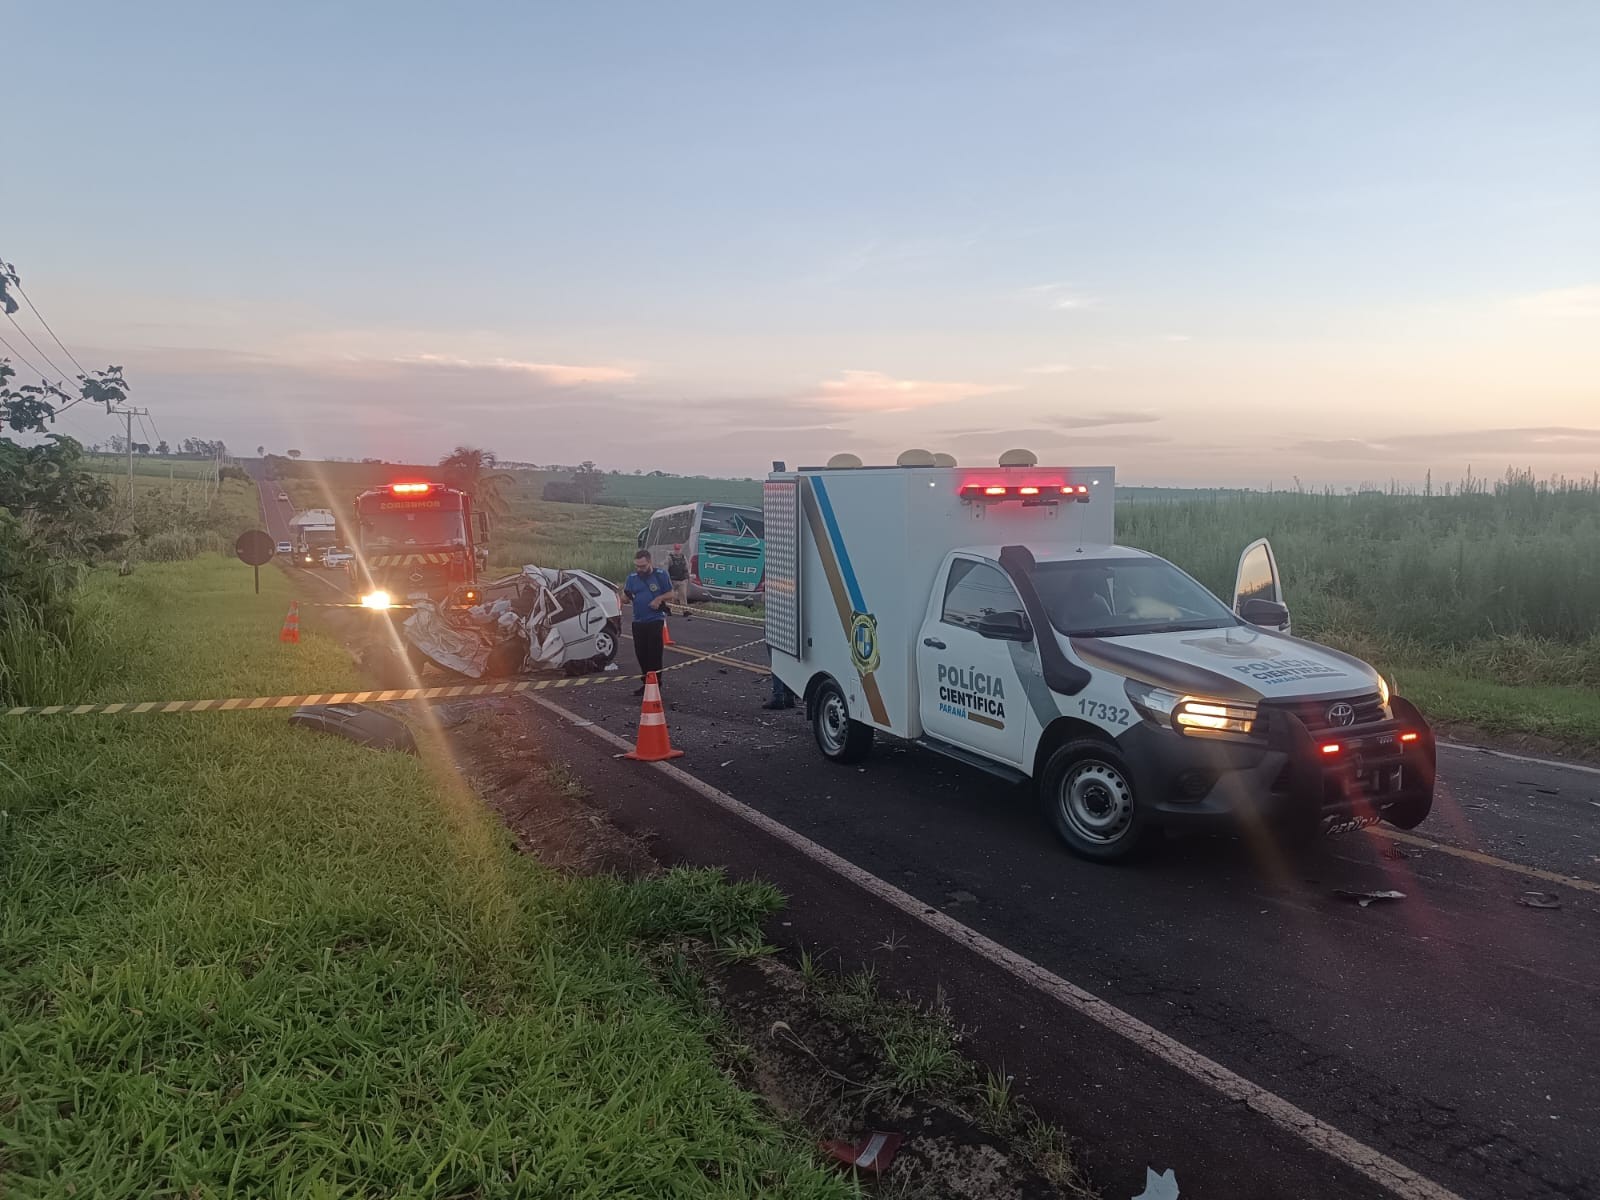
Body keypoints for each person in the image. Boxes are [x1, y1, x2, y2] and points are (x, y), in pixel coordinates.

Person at [623, 549, 673, 695]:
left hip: (655, 620)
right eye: (637, 566)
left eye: (643, 566)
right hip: (638, 621)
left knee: (654, 655)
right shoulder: (632, 578)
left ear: (650, 562)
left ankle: (656, 684)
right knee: (641, 654)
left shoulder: (660, 575)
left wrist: (659, 599)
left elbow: (671, 593)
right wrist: (624, 597)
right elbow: (626, 596)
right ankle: (646, 683)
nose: (640, 569)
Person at [667, 543, 690, 617]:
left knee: (683, 596)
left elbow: (686, 568)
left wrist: (687, 577)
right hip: (672, 580)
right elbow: (666, 568)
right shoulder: (670, 557)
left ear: (681, 549)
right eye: (676, 549)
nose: (677, 551)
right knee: (670, 596)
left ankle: (685, 611)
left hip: (681, 580)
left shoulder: (683, 557)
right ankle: (668, 610)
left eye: (678, 549)